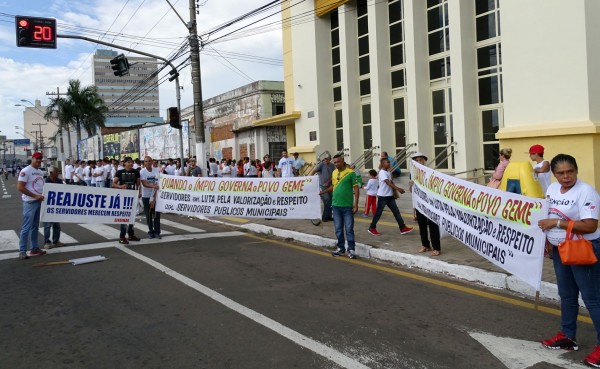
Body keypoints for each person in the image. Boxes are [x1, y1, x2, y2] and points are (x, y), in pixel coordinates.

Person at [538, 154, 600, 366]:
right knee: (567, 295)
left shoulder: (586, 191)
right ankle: (567, 337)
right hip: (560, 250)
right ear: (554, 174)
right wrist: (548, 241)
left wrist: (556, 223)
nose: (566, 177)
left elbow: (590, 225)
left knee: (592, 299)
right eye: (561, 173)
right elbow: (546, 213)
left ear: (576, 170)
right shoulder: (552, 189)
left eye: (570, 172)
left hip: (584, 249)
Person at [322, 154, 359, 259]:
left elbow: (356, 188)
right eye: (335, 162)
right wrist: (323, 191)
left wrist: (356, 204)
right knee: (338, 228)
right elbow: (333, 187)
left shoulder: (351, 173)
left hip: (347, 206)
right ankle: (341, 249)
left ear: (343, 161)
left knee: (349, 228)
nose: (337, 164)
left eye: (338, 162)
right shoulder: (334, 173)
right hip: (335, 205)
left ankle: (351, 249)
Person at [368, 158, 413, 236]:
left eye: (389, 162)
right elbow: (387, 182)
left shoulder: (387, 172)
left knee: (396, 212)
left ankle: (402, 228)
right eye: (387, 162)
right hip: (383, 196)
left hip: (389, 196)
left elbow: (391, 180)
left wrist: (390, 172)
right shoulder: (382, 172)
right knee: (378, 213)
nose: (389, 164)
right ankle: (372, 228)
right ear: (382, 164)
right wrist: (398, 189)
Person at [409, 152, 441, 256]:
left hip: (430, 204)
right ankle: (425, 245)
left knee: (433, 226)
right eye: (416, 160)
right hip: (419, 204)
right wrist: (411, 185)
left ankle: (436, 247)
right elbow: (412, 191)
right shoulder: (413, 174)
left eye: (420, 160)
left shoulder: (431, 172)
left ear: (424, 161)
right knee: (422, 225)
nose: (419, 162)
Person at [17, 152, 46, 259]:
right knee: (26, 227)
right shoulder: (25, 171)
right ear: (32, 158)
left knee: (35, 227)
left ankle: (34, 248)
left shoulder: (40, 172)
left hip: (39, 201)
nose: (38, 161)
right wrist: (34, 196)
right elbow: (20, 187)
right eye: (36, 159)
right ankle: (22, 250)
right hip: (30, 202)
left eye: (40, 159)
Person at [113, 157, 141, 244]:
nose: (130, 164)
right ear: (124, 163)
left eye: (132, 162)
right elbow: (113, 184)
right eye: (128, 162)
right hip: (123, 197)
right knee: (124, 217)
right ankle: (122, 236)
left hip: (133, 196)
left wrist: (139, 192)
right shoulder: (120, 172)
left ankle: (131, 235)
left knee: (132, 217)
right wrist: (121, 186)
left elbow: (138, 184)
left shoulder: (136, 172)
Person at [140, 156, 161, 239]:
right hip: (147, 197)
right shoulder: (142, 172)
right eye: (146, 161)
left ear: (152, 162)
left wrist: (157, 187)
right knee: (148, 215)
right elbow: (144, 184)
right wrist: (153, 186)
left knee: (156, 215)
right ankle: (150, 231)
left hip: (156, 196)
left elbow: (160, 180)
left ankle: (157, 232)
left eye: (149, 161)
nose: (148, 163)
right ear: (144, 163)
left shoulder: (156, 170)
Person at [43, 166, 64, 249]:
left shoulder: (59, 181)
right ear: (51, 173)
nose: (58, 173)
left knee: (56, 225)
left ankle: (56, 241)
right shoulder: (46, 182)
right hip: (48, 206)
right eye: (56, 171)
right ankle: (47, 242)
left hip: (57, 206)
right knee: (47, 225)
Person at [311, 155, 335, 222]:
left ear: (330, 159)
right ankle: (324, 217)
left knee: (330, 201)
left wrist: (328, 182)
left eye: (327, 159)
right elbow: (314, 171)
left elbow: (333, 175)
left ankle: (329, 216)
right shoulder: (321, 164)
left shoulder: (332, 166)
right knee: (326, 199)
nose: (326, 160)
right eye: (325, 159)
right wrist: (309, 179)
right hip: (322, 185)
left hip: (329, 185)